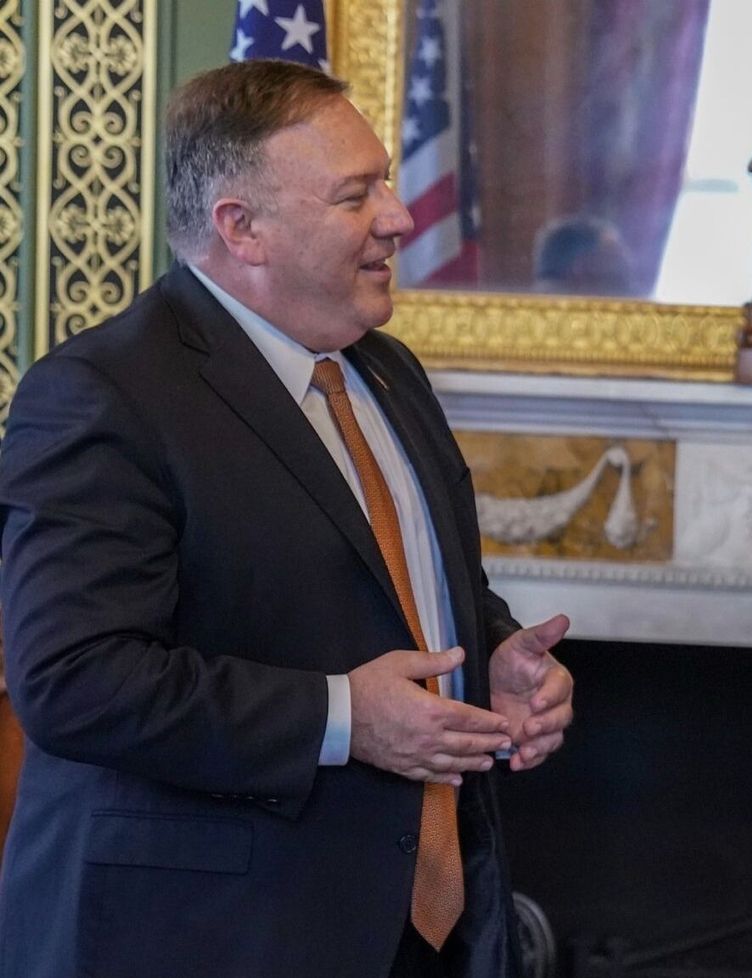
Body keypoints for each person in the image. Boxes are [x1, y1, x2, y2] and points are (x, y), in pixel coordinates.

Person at [0, 60, 574, 978]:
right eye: (357, 195)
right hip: (204, 935)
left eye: (385, 178)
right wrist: (346, 715)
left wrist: (491, 653)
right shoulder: (104, 394)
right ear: (242, 228)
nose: (400, 215)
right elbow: (74, 680)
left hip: (414, 925)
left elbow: (397, 588)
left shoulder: (386, 371)